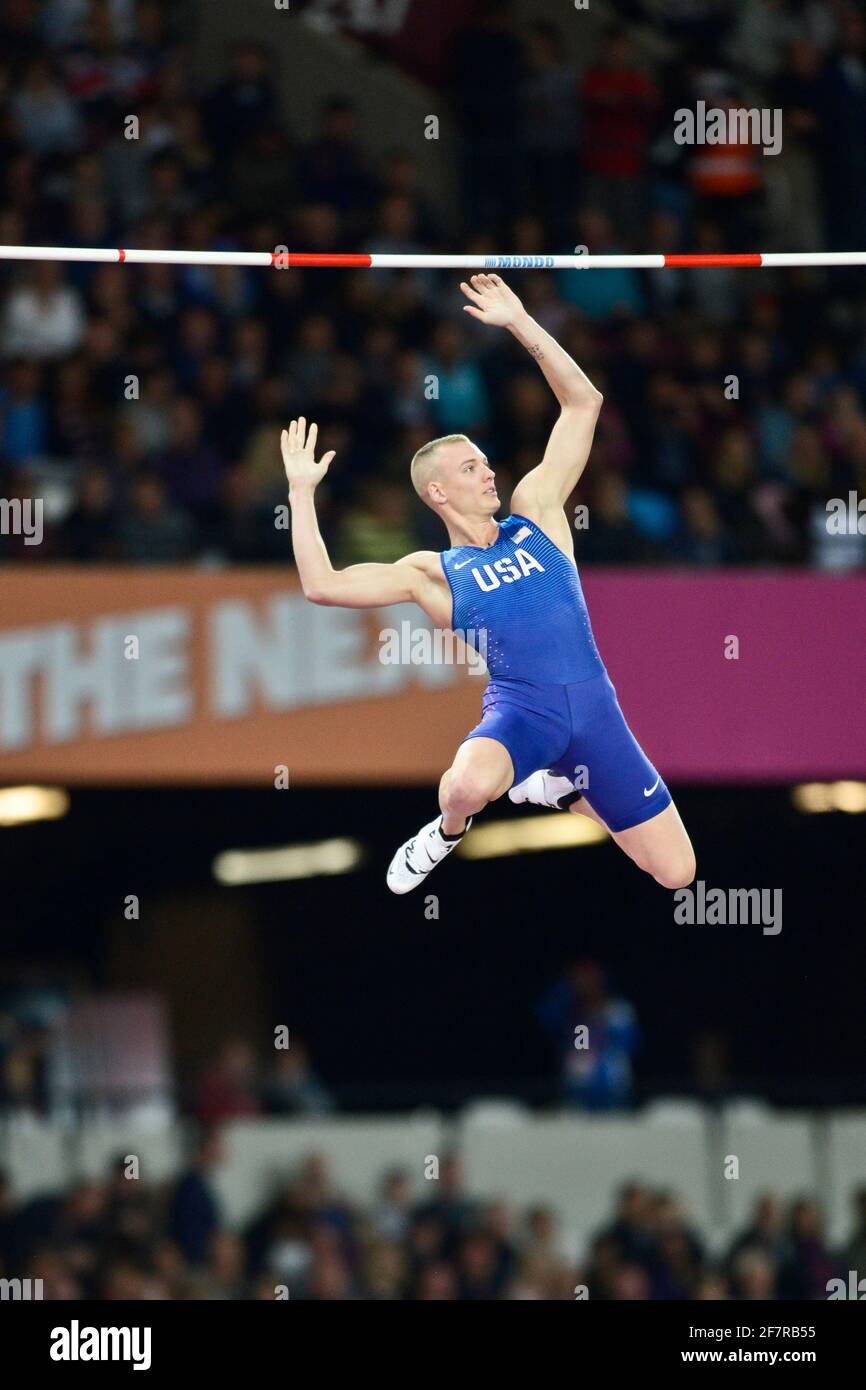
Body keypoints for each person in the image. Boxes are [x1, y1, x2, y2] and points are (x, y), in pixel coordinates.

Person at [280, 274, 696, 895]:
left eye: (485, 461)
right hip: (523, 712)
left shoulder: (537, 512)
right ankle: (443, 834)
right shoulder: (432, 573)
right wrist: (300, 493)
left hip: (597, 708)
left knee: (677, 874)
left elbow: (584, 403)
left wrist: (520, 322)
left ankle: (558, 790)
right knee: (464, 788)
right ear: (437, 492)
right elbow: (322, 585)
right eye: (471, 466)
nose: (488, 471)